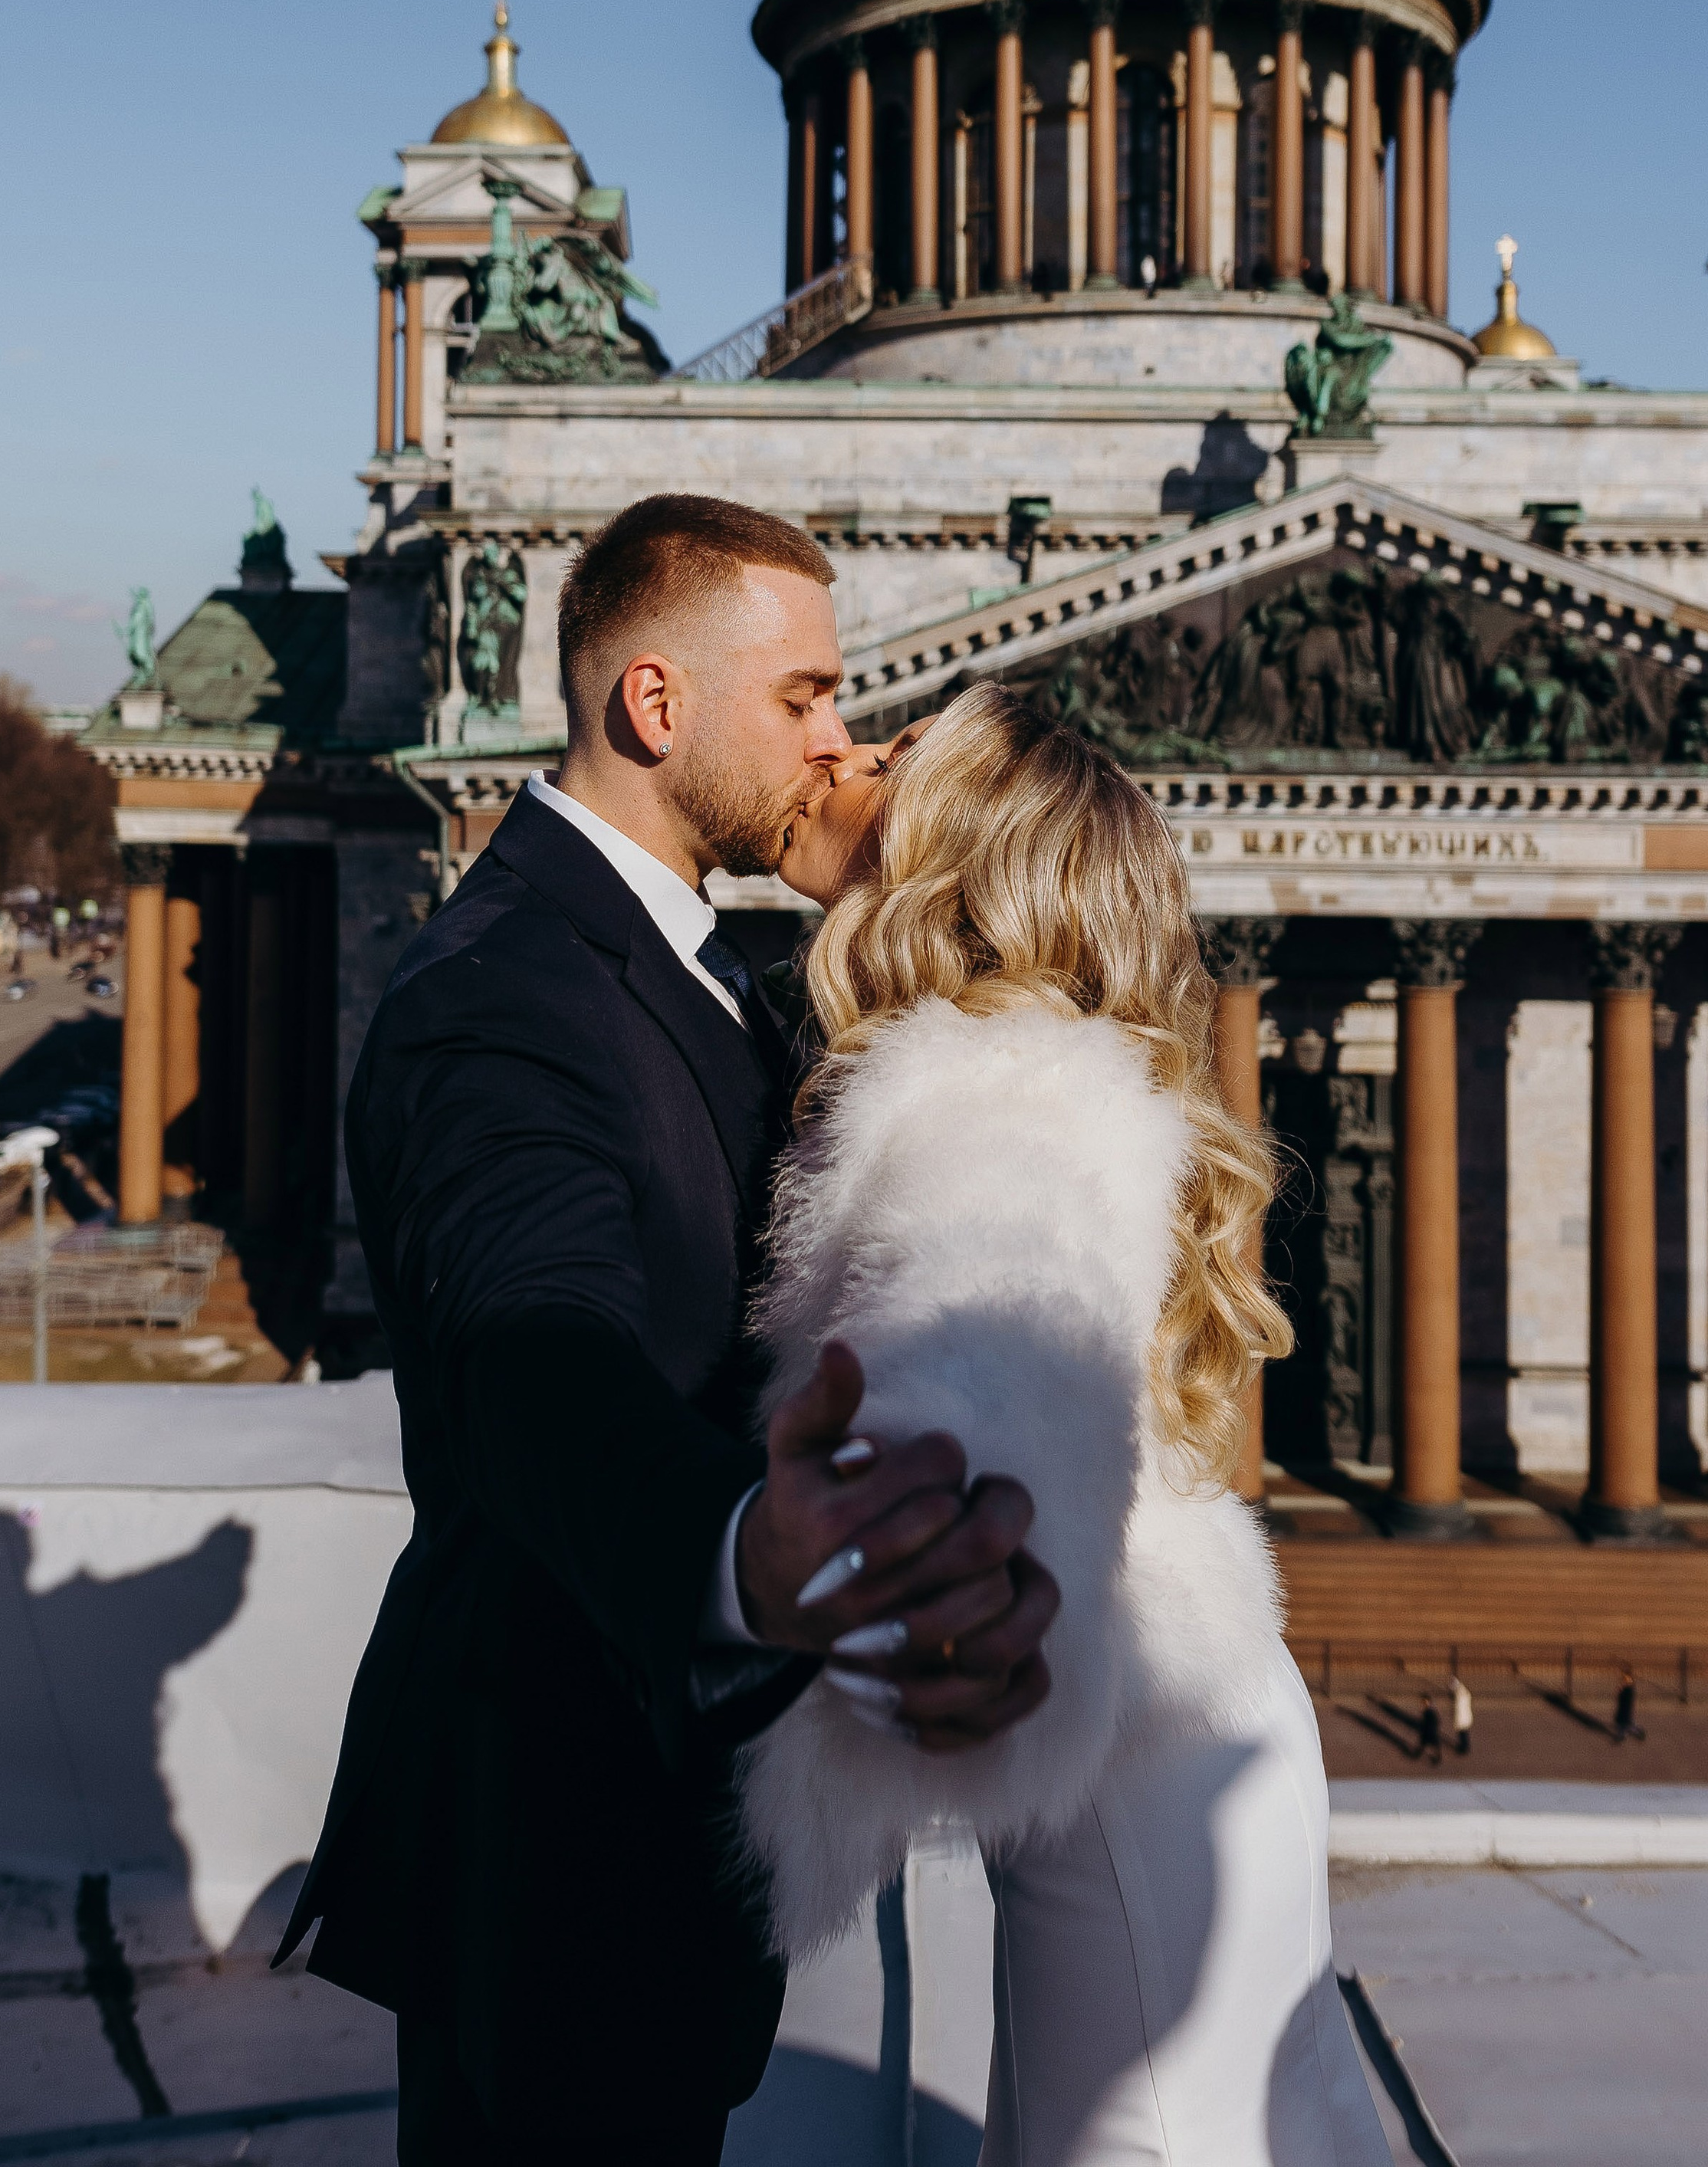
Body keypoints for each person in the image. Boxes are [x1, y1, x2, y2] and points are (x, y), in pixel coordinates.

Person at [278, 497, 1058, 2166]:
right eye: (804, 698)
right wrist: (736, 1552)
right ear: (655, 703)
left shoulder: (675, 955)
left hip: (638, 1860)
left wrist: (886, 885)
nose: (837, 739)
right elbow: (528, 1353)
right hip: (555, 1850)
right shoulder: (501, 991)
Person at [748, 685, 1389, 2166]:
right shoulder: (1062, 1076)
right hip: (1197, 1727)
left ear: (956, 854)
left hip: (1127, 1779)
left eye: (901, 755)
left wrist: (913, 1578)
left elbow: (984, 1360)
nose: (846, 751)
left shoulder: (1000, 1098)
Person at [1451, 1673, 1473, 1760]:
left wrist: (1456, 1721)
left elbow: (1458, 1710)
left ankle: (1463, 1749)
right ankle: (1466, 1747)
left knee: (1463, 1735)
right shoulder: (1463, 1691)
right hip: (1466, 1718)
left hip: (1462, 1719)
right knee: (1465, 1734)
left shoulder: (1459, 1696)